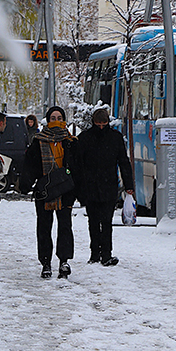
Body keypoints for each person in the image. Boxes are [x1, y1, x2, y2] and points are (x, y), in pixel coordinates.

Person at [21, 106, 78, 279]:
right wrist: (26, 185)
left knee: (65, 226)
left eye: (59, 117)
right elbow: (30, 166)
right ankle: (45, 262)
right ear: (47, 120)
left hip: (65, 190)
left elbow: (78, 167)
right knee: (44, 227)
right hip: (44, 191)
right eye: (52, 117)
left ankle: (64, 261)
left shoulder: (70, 141)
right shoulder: (39, 141)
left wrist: (78, 188)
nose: (56, 120)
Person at [76, 107, 134, 266]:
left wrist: (129, 185)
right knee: (95, 221)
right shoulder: (109, 138)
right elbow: (78, 164)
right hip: (97, 185)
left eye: (103, 124)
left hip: (102, 185)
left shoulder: (88, 138)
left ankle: (103, 254)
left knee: (105, 221)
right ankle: (97, 254)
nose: (101, 127)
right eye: (98, 124)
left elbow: (123, 162)